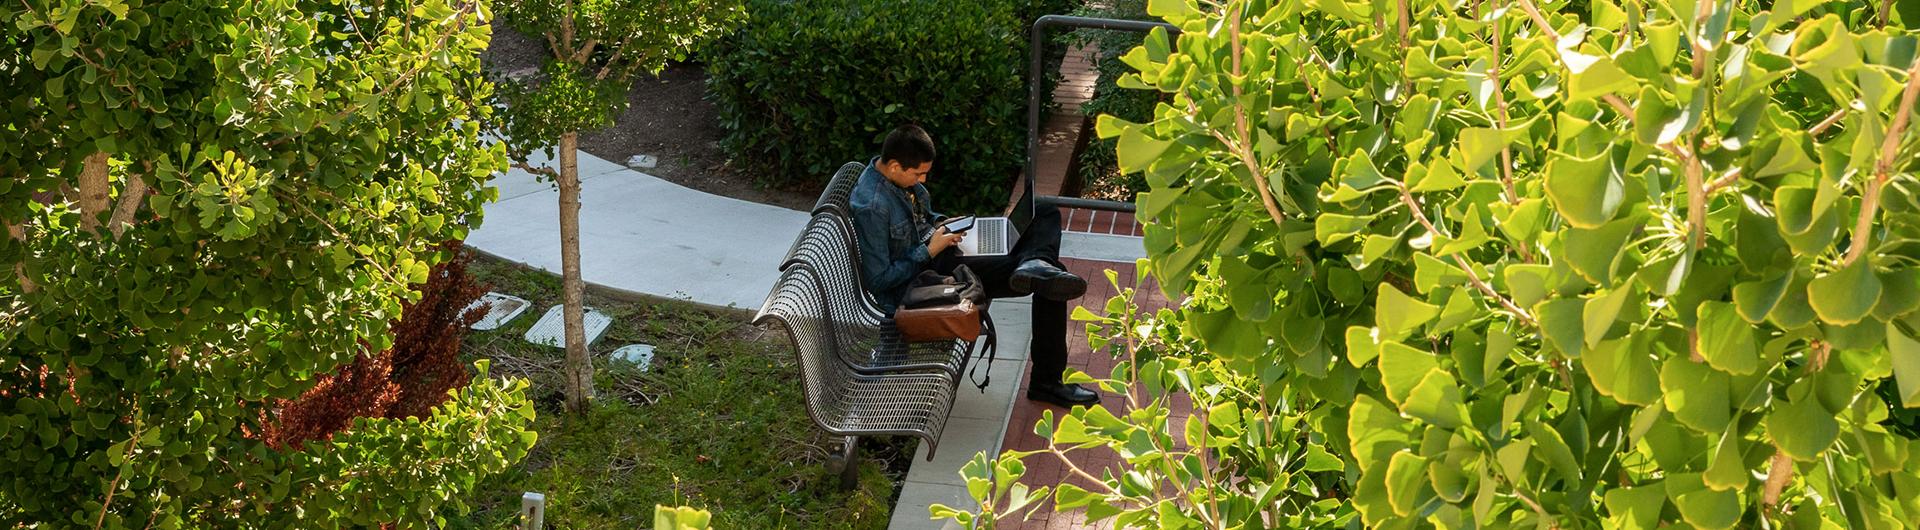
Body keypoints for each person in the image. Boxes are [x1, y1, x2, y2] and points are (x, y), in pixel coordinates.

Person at [849, 124, 1099, 407]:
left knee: (1042, 210)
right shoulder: (872, 207)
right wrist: (929, 250)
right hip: (926, 280)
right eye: (918, 174)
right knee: (1053, 281)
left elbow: (923, 217)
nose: (924, 179)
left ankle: (1036, 262)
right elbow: (879, 280)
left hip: (940, 253)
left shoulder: (895, 180)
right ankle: (1046, 382)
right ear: (895, 166)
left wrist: (941, 225)